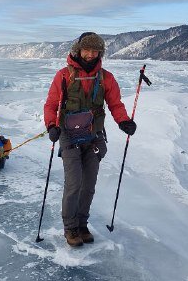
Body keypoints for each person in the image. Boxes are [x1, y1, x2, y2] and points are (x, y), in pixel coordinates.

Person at [43, 32, 137, 247]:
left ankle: (82, 224)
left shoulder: (106, 77)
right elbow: (51, 105)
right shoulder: (63, 76)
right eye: (87, 50)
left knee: (89, 185)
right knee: (74, 184)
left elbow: (115, 104)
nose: (91, 54)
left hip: (93, 135)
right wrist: (51, 126)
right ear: (78, 50)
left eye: (95, 51)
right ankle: (70, 227)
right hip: (69, 135)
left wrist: (124, 122)